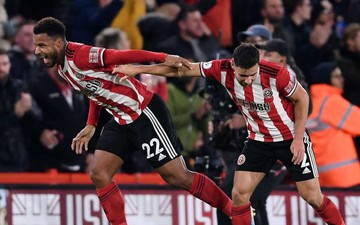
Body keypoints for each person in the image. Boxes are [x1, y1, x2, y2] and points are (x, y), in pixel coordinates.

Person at [113, 43, 346, 225]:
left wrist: (297, 139)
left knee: (312, 197)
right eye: (242, 75)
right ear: (233, 65)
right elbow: (180, 71)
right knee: (239, 194)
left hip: (290, 139)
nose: (247, 80)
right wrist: (138, 68)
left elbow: (302, 98)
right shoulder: (220, 69)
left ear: (258, 65)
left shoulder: (277, 75)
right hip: (258, 141)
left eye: (252, 75)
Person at [32, 17, 232, 225]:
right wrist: (91, 124)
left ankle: (235, 211)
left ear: (58, 43)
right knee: (99, 173)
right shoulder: (62, 67)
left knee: (177, 176)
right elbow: (94, 89)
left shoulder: (81, 55)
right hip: (120, 118)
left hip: (144, 111)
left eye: (42, 45)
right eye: (36, 45)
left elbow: (123, 55)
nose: (37, 51)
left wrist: (163, 56)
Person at [307, 62, 360, 188]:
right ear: (326, 79)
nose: (342, 79)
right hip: (345, 177)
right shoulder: (331, 102)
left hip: (320, 179)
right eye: (337, 76)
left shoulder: (311, 103)